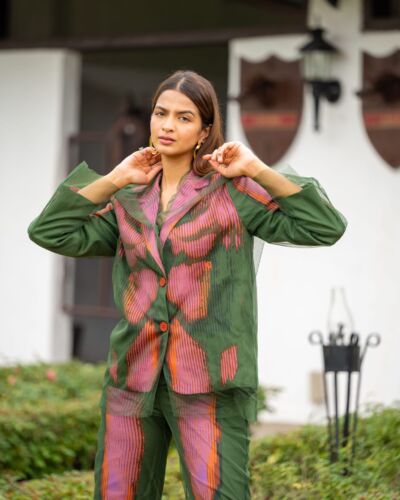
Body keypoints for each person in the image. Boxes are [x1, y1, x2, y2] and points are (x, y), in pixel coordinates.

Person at [27, 69, 347, 499]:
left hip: (209, 382)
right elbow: (49, 231)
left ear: (204, 131)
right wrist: (115, 178)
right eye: (161, 113)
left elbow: (324, 226)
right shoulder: (128, 199)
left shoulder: (232, 191)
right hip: (132, 379)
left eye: (184, 117)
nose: (167, 125)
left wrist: (256, 168)